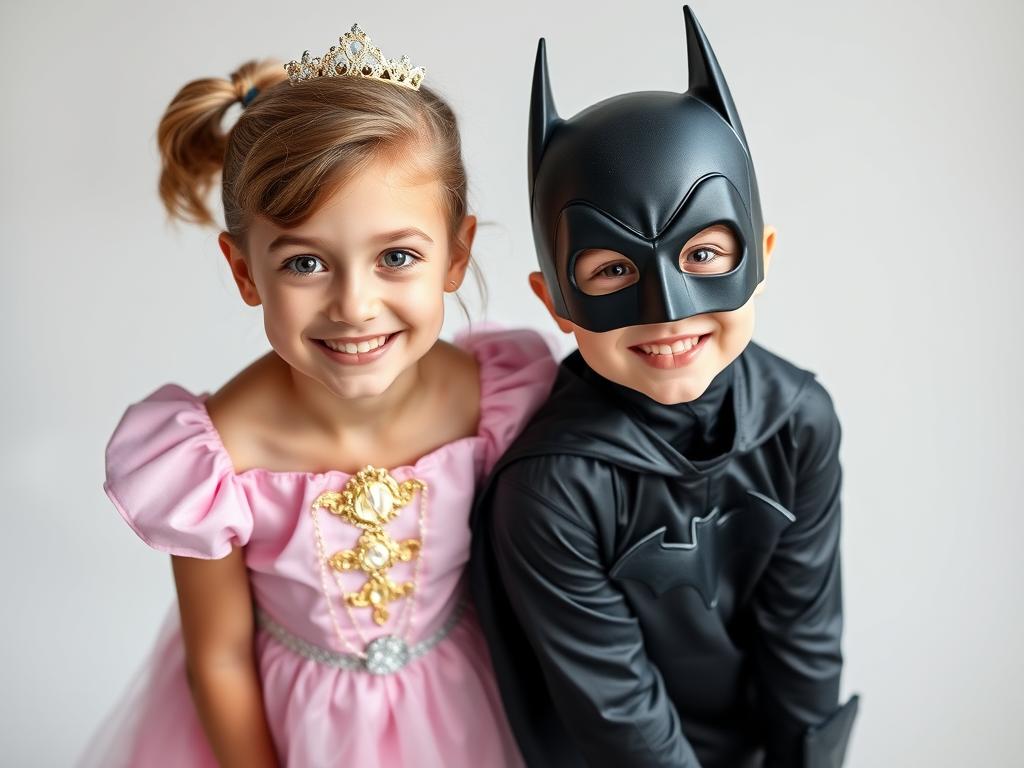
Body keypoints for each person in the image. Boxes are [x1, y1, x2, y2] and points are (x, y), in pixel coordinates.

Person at [82, 24, 555, 768]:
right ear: (244, 273)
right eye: (305, 262)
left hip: (477, 712)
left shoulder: (495, 399)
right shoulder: (215, 462)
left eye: (397, 256)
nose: (354, 304)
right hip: (300, 736)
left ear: (457, 255)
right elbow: (220, 661)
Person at [470, 7, 859, 768]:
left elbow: (804, 642)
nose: (668, 311)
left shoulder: (799, 422)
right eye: (612, 270)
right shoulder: (552, 488)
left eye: (704, 253)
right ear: (554, 300)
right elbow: (619, 715)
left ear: (762, 253)